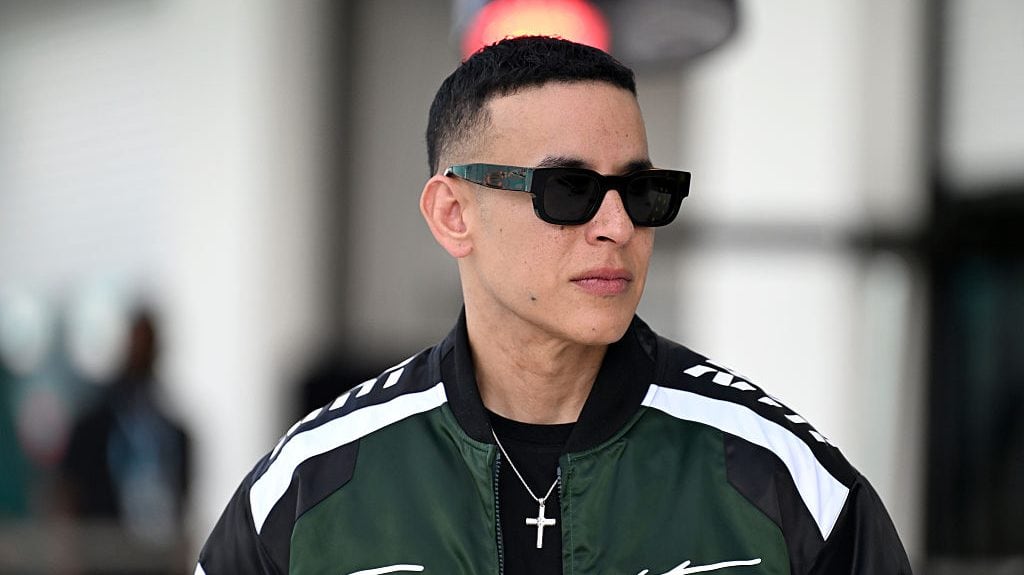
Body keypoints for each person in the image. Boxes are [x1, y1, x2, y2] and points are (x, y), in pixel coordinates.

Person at [195, 36, 912, 574]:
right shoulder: (313, 485)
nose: (618, 226)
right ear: (453, 213)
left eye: (641, 191)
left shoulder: (782, 478)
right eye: (567, 190)